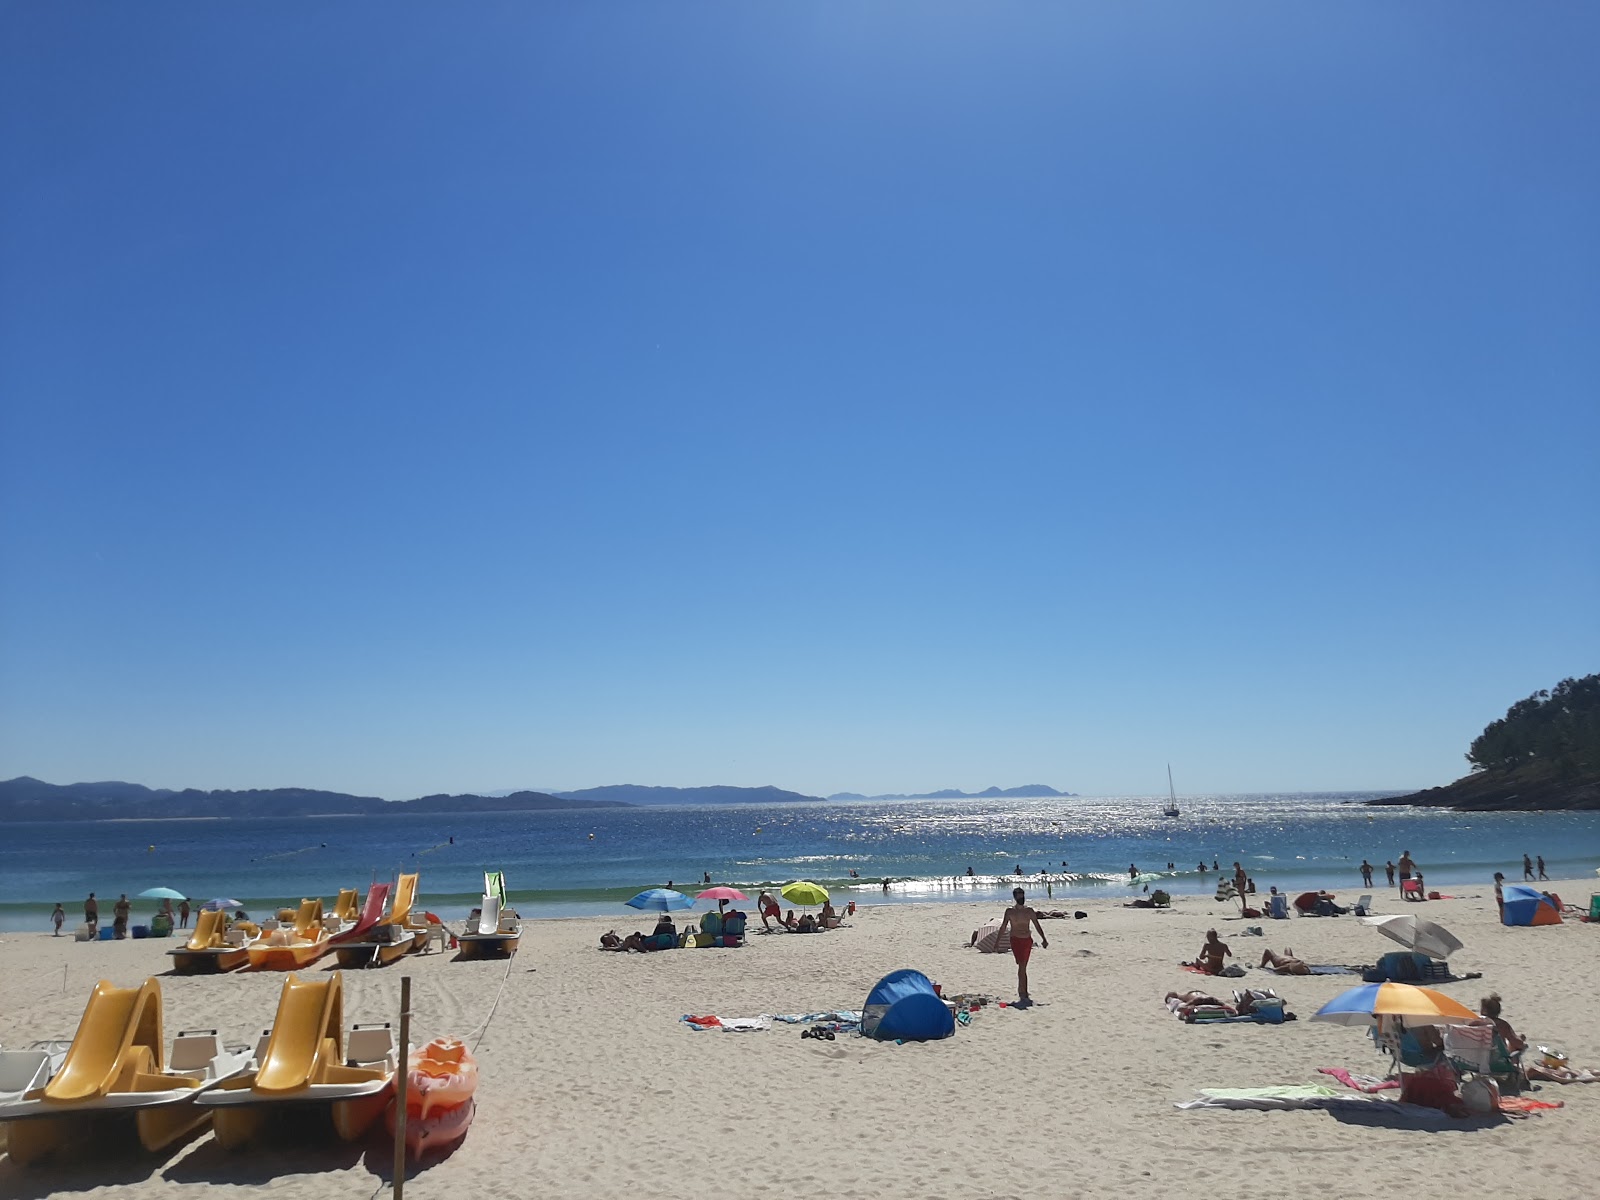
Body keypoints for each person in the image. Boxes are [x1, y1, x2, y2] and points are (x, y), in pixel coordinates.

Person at [997, 887, 1047, 1005]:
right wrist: (997, 942)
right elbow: (1003, 926)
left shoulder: (1029, 911)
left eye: (1023, 895)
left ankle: (1023, 992)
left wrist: (1044, 939)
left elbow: (1037, 925)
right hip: (1015, 940)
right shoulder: (1010, 911)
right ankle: (1023, 991)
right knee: (1020, 965)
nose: (1022, 898)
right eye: (1019, 896)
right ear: (1015, 897)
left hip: (1026, 940)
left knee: (1023, 966)